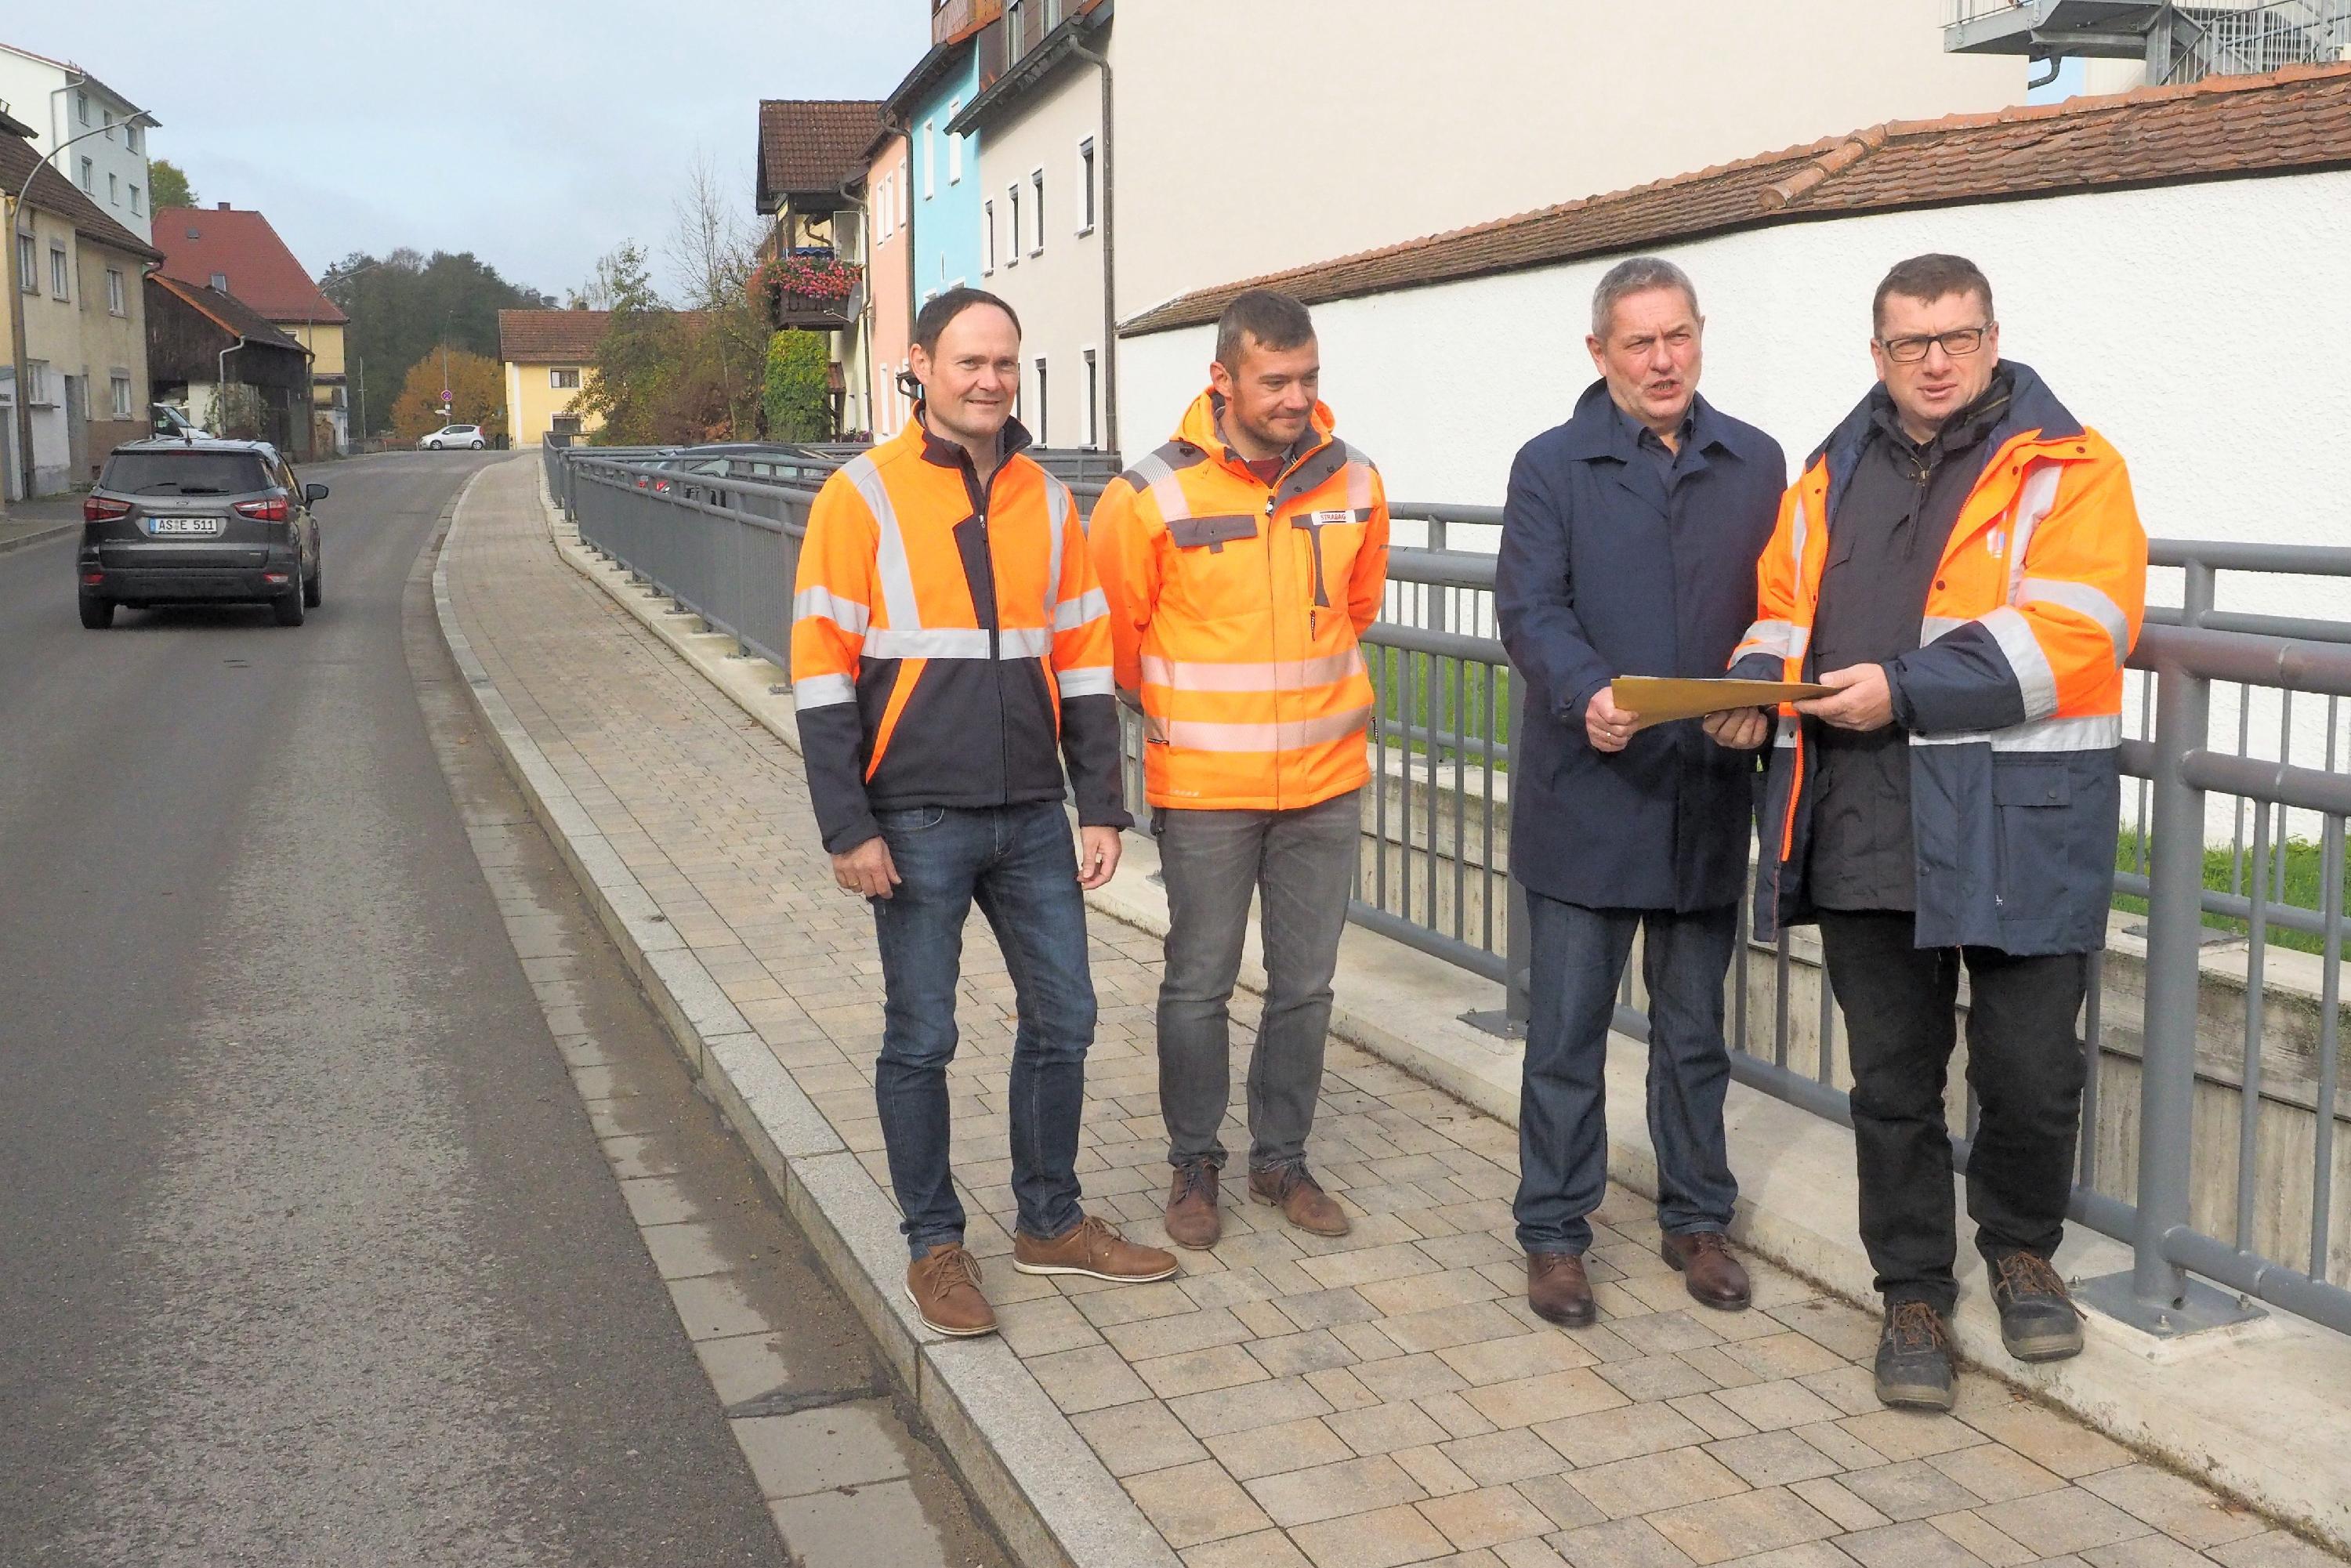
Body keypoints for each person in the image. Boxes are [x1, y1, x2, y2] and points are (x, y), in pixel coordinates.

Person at [1719, 253, 2146, 1410]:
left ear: (1994, 337)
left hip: (2018, 820)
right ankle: (1911, 1287)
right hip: (1866, 809)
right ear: (1879, 355)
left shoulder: (2074, 467)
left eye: (1959, 337)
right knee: (1892, 1082)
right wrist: (1754, 680)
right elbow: (1780, 605)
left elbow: (2083, 628)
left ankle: (2018, 1249)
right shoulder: (1826, 472)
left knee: (2029, 1069)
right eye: (1914, 344)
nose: (1939, 360)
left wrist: (1903, 688)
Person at [790, 287, 1177, 1339]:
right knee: (922, 1035)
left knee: (1069, 1017)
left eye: (1005, 363)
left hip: (1031, 814)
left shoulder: (1050, 504)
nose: (991, 380)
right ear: (922, 363)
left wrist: (1101, 803)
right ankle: (935, 1243)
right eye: (970, 362)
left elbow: (1086, 661)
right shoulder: (859, 498)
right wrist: (847, 824)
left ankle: (1049, 1221)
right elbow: (821, 673)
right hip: (912, 815)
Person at [1494, 257, 1784, 1328]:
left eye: (1678, 337)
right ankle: (1556, 1233)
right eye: (1638, 343)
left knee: (1695, 1032)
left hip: (1705, 791)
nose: (1662, 360)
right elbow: (1530, 610)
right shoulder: (1551, 466)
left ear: (1701, 335)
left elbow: (1784, 608)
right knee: (1566, 1035)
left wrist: (1759, 686)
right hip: (1590, 788)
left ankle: (1697, 1217)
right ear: (1600, 354)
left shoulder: (1756, 462)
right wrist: (1588, 692)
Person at [1089, 288, 1390, 1249]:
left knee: (1306, 985)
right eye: (1276, 381)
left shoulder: (1356, 481)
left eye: (1309, 378)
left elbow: (1358, 608)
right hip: (1208, 788)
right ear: (1222, 379)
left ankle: (1282, 1160)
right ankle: (1194, 1163)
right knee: (1198, 983)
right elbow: (1118, 643)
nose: (1297, 397)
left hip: (1324, 783)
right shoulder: (1147, 496)